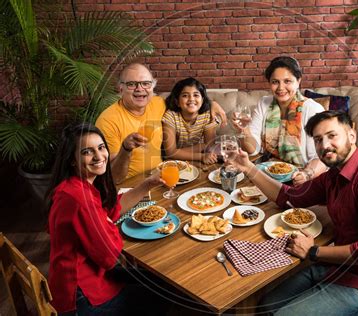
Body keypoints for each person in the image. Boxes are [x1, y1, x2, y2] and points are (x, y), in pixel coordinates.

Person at [228, 111, 358, 315]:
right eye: (318, 140)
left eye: (332, 136)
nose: (324, 145)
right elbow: (290, 197)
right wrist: (249, 168)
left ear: (351, 135)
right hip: (339, 268)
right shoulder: (333, 175)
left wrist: (313, 251)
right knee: (265, 305)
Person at [46, 123, 170, 315]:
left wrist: (147, 184)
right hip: (82, 294)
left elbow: (112, 210)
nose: (98, 156)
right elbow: (110, 257)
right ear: (71, 159)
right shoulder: (80, 199)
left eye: (101, 147)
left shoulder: (72, 187)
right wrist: (108, 225)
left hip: (78, 277)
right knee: (163, 295)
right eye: (87, 152)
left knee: (157, 279)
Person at [96, 63, 226, 183]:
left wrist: (212, 104)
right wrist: (126, 148)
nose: (139, 89)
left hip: (161, 176)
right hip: (129, 184)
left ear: (152, 87)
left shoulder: (158, 103)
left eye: (145, 83)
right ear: (120, 89)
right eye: (132, 84)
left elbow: (188, 104)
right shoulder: (108, 120)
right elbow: (114, 177)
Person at [232, 56, 327, 185]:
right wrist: (245, 131)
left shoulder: (313, 109)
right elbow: (253, 149)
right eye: (275, 82)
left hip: (300, 176)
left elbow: (321, 157)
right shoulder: (264, 103)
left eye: (287, 81)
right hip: (266, 173)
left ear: (298, 81)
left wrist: (306, 174)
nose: (281, 88)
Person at [162, 77, 218, 164]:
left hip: (194, 158)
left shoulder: (208, 115)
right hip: (174, 161)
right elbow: (170, 153)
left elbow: (209, 145)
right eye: (185, 95)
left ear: (202, 100)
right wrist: (201, 154)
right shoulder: (170, 116)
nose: (191, 99)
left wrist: (178, 151)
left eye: (196, 95)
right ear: (177, 102)